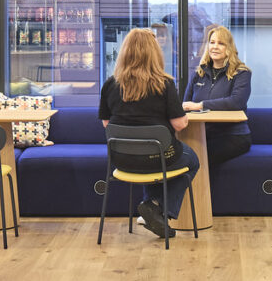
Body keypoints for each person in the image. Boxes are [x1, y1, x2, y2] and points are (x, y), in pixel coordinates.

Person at [98, 27, 194, 240]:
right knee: (191, 160)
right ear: (154, 53)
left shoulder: (110, 84)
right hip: (158, 158)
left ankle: (153, 210)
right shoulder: (164, 84)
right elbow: (179, 125)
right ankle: (157, 208)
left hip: (121, 160)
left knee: (151, 158)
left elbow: (106, 124)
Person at [182, 25, 253, 170]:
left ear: (229, 48)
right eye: (212, 42)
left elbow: (236, 102)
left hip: (232, 136)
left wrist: (201, 105)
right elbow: (186, 104)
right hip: (202, 134)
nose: (215, 47)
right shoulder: (198, 73)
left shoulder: (242, 73)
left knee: (196, 157)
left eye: (221, 43)